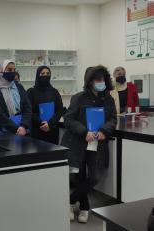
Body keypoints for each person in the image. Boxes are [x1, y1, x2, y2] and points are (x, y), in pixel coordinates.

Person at [61, 66, 117, 223]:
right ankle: (84, 208)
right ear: (90, 81)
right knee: (79, 177)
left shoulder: (108, 99)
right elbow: (69, 119)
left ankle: (70, 201)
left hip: (97, 143)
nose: (102, 82)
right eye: (98, 80)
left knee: (94, 177)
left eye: (104, 79)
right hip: (78, 143)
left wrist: (104, 131)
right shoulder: (79, 97)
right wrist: (84, 132)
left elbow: (113, 119)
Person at [0, 60, 32, 135]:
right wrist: (16, 128)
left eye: (14, 70)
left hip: (23, 129)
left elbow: (27, 107)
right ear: (1, 71)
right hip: (5, 131)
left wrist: (23, 125)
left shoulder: (19, 86)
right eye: (9, 70)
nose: (13, 72)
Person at [27, 66, 63, 144]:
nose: (45, 75)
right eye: (42, 73)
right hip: (37, 129)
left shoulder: (54, 92)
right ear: (37, 75)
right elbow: (28, 111)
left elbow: (59, 110)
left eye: (48, 73)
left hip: (52, 129)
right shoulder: (31, 92)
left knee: (52, 154)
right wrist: (42, 123)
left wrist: (50, 124)